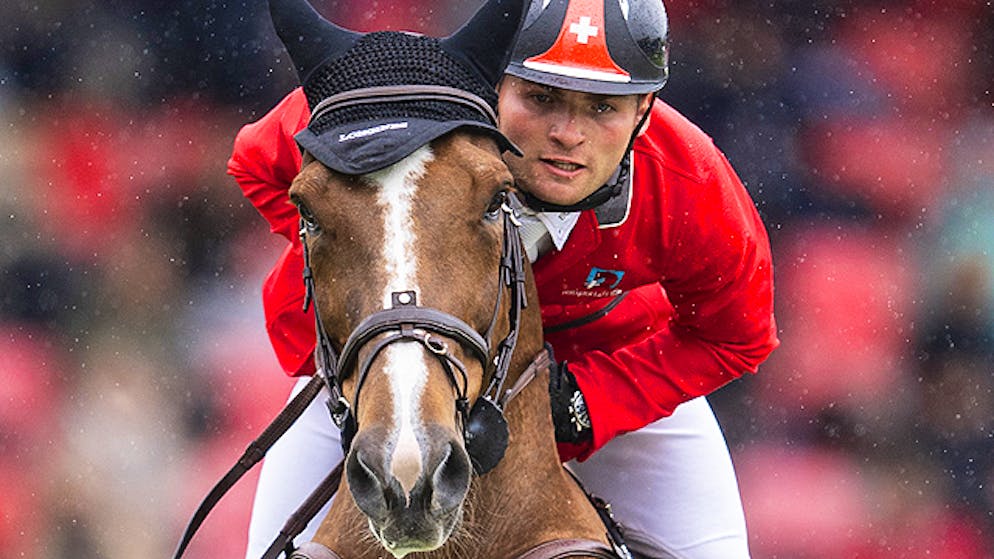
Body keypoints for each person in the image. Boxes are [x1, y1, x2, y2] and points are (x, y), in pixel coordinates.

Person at [228, 0, 779, 557]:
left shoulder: (686, 180)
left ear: (644, 110)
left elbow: (737, 337)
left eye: (602, 108)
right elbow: (254, 161)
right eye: (540, 98)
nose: (567, 133)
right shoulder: (392, 102)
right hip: (386, 367)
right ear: (492, 84)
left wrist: (589, 398)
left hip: (604, 359)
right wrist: (364, 249)